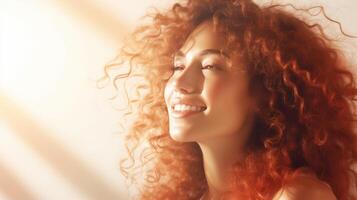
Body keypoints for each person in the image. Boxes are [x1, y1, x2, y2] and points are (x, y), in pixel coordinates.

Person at [98, 0, 357, 199]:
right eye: (178, 66)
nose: (179, 83)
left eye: (210, 66)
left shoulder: (296, 196)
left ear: (265, 91)